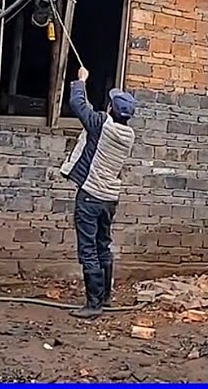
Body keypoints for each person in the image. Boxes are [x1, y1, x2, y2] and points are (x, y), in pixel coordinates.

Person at [59, 66, 137, 319]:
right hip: (108, 199)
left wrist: (81, 80)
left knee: (88, 249)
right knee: (103, 246)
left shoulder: (102, 125)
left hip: (90, 195)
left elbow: (77, 104)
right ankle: (105, 298)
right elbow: (94, 118)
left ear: (112, 110)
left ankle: (93, 304)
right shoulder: (128, 134)